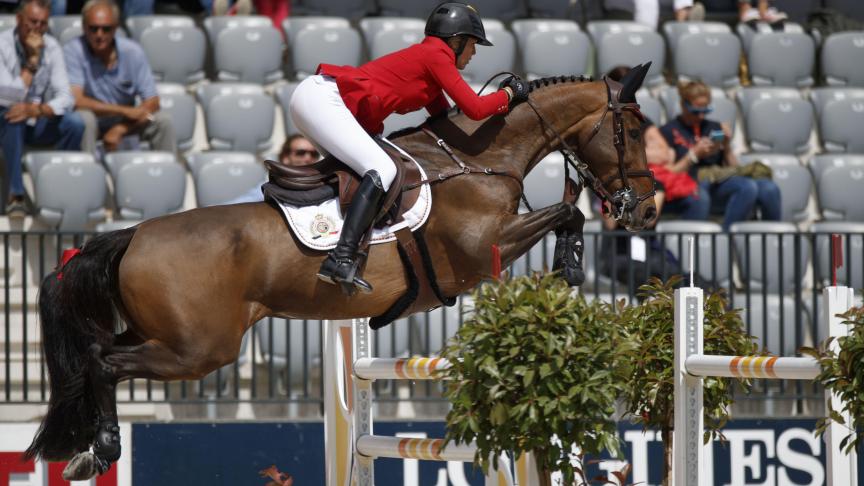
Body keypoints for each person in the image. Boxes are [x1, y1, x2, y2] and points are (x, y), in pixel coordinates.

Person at [289, 2, 529, 294]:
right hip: (323, 100)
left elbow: (447, 120)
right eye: (473, 45)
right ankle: (341, 258)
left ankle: (325, 239)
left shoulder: (430, 63)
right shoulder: (436, 54)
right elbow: (475, 108)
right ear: (456, 41)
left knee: (371, 167)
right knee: (383, 168)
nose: (474, 53)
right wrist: (509, 93)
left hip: (321, 101)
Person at [660, 80, 781, 231]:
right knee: (746, 187)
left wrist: (727, 146)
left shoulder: (713, 127)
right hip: (692, 183)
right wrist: (693, 155)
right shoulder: (668, 131)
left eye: (706, 110)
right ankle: (725, 240)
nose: (701, 116)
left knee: (769, 188)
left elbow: (734, 168)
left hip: (718, 180)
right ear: (683, 105)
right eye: (696, 111)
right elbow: (667, 174)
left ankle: (773, 241)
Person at [0, 0, 84, 218]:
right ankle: (15, 196)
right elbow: (8, 95)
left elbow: (67, 98)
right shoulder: (2, 44)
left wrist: (37, 110)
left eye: (43, 23)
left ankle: (61, 190)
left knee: (75, 123)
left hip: (35, 118)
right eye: (32, 22)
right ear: (19, 19)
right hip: (5, 120)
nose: (37, 28)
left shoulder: (52, 46)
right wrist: (32, 62)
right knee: (13, 115)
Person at [63, 0, 176, 156]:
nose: (99, 35)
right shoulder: (73, 50)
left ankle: (167, 173)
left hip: (126, 122)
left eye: (106, 29)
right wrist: (124, 110)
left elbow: (153, 102)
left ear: (116, 28)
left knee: (162, 119)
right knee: (84, 119)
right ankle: (87, 172)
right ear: (83, 28)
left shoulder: (133, 52)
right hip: (96, 119)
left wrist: (120, 128)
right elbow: (77, 101)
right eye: (93, 29)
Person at [227, 134, 320, 205]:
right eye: (301, 152)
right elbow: (236, 205)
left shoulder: (325, 185)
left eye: (314, 154)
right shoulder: (271, 187)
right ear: (285, 158)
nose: (308, 158)